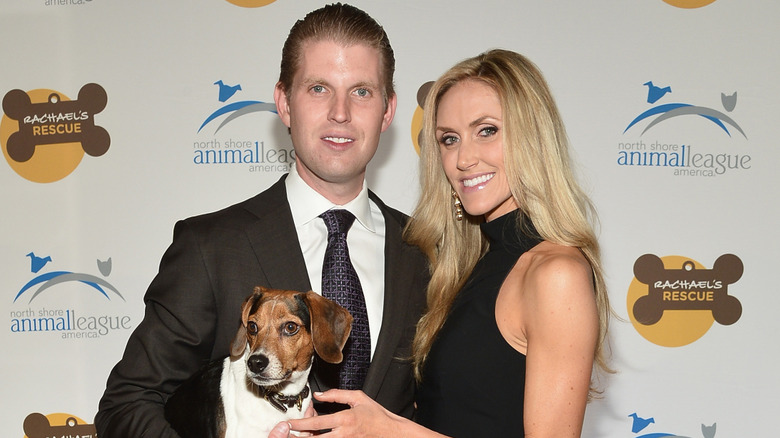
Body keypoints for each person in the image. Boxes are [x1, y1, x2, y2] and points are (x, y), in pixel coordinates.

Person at [94, 3, 428, 437]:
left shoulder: (425, 253)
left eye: (362, 91)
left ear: (387, 110)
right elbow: (126, 405)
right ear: (284, 103)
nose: (341, 112)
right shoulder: (210, 247)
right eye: (319, 89)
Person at [273, 49, 611, 438]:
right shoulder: (466, 268)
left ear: (533, 136)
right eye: (449, 139)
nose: (463, 158)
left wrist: (390, 431)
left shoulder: (557, 272)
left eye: (487, 131)